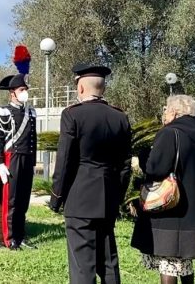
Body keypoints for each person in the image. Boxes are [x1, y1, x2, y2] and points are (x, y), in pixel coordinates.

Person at [49, 64, 132, 284]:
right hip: (108, 198)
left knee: (82, 265)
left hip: (80, 198)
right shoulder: (120, 117)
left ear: (81, 88)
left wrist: (56, 197)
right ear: (102, 88)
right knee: (108, 260)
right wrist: (117, 194)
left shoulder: (72, 115)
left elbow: (65, 160)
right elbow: (125, 165)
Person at [131, 95, 195, 284]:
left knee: (168, 261)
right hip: (191, 210)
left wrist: (143, 155)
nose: (164, 114)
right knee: (184, 263)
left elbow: (155, 168)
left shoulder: (169, 133)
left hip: (169, 208)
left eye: (165, 109)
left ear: (174, 111)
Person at [0, 73, 37, 250]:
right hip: (12, 159)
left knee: (23, 201)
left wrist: (32, 162)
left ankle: (20, 235)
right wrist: (0, 163)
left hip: (27, 160)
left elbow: (33, 139)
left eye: (26, 89)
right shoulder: (3, 112)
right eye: (22, 89)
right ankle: (10, 239)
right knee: (11, 201)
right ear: (12, 92)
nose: (25, 92)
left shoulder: (31, 112)